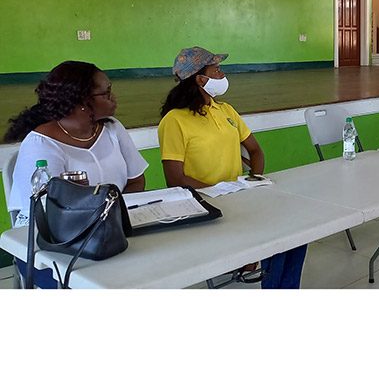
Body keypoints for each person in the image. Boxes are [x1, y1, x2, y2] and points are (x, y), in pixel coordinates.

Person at [157, 46, 305, 289]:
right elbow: (175, 180)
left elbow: (255, 150)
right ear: (199, 79)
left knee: (297, 232)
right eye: (216, 70)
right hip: (207, 204)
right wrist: (219, 191)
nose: (222, 74)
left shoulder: (225, 110)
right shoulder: (174, 120)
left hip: (239, 196)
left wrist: (254, 179)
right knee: (278, 239)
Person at [4, 60, 147, 288]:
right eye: (107, 92)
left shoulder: (112, 129)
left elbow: (136, 180)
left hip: (110, 234)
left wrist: (113, 220)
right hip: (52, 247)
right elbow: (51, 213)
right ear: (82, 101)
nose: (114, 97)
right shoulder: (41, 145)